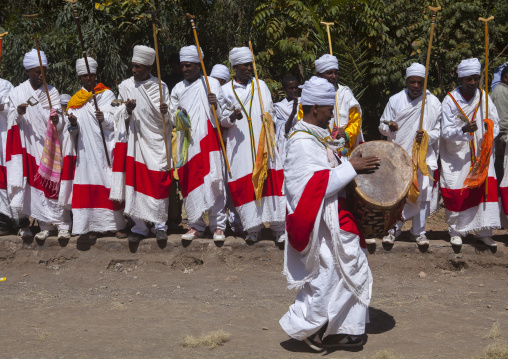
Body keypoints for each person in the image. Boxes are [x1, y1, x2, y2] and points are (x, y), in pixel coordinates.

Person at [280, 76, 378, 351]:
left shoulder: (316, 136)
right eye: (328, 109)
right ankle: (309, 328)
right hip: (319, 222)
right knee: (327, 275)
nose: (332, 114)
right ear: (314, 109)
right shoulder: (301, 142)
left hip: (335, 215)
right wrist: (352, 168)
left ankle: (347, 330)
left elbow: (327, 173)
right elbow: (316, 185)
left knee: (352, 267)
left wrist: (349, 164)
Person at [221, 47, 285, 244]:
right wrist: (232, 116)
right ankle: (253, 228)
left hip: (263, 142)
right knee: (245, 183)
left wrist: (267, 118)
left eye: (250, 64)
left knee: (271, 182)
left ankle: (278, 228)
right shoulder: (225, 90)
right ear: (235, 67)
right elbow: (221, 120)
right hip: (239, 146)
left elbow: (271, 110)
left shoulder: (260, 85)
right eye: (245, 65)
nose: (249, 68)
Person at [6, 49, 72, 241]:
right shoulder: (18, 92)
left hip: (50, 146)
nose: (41, 75)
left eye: (43, 71)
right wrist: (18, 112)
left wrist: (55, 119)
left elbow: (61, 122)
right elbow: (12, 119)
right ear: (28, 71)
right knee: (36, 186)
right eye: (37, 72)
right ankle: (45, 224)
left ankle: (62, 225)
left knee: (54, 185)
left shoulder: (52, 91)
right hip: (29, 146)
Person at [110, 45, 172, 243]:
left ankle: (160, 225)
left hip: (156, 143)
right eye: (133, 66)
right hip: (135, 142)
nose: (133, 70)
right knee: (135, 182)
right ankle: (139, 227)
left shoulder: (160, 87)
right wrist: (127, 110)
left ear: (149, 68)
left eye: (138, 67)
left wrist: (165, 112)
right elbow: (117, 115)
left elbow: (170, 119)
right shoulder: (125, 86)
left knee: (158, 181)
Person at [59, 57, 126, 240]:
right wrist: (72, 123)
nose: (89, 79)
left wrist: (103, 117)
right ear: (80, 77)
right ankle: (92, 226)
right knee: (89, 186)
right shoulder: (74, 101)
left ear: (96, 75)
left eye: (92, 75)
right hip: (85, 152)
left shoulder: (106, 94)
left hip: (105, 149)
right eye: (84, 76)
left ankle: (117, 225)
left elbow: (115, 122)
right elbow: (71, 132)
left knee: (109, 184)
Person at [169, 46, 229, 242]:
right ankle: (195, 225)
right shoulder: (178, 88)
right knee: (190, 180)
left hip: (207, 139)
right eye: (183, 66)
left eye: (189, 65)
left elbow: (222, 117)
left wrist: (216, 104)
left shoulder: (211, 84)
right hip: (187, 142)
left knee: (214, 180)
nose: (185, 69)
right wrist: (177, 114)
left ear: (198, 65)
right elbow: (172, 117)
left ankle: (218, 226)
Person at [378, 63, 441, 246]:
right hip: (399, 157)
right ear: (406, 81)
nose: (416, 86)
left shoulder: (433, 103)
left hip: (422, 158)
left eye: (419, 82)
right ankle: (392, 230)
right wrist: (389, 127)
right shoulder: (395, 100)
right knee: (398, 195)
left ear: (424, 83)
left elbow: (439, 131)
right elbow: (381, 126)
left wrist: (427, 136)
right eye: (412, 82)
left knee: (421, 195)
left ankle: (419, 231)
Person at [440, 58, 500, 248]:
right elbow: (445, 131)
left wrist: (488, 128)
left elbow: (496, 124)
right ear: (461, 79)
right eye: (468, 79)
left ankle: (483, 231)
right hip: (457, 156)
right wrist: (464, 130)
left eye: (475, 78)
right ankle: (457, 231)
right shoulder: (449, 100)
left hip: (481, 153)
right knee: (457, 189)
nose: (473, 83)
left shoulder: (484, 97)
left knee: (484, 190)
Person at [0, 77, 31, 238]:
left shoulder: (5, 85)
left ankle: (21, 222)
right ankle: (4, 222)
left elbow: (12, 109)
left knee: (13, 179)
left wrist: (3, 106)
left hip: (6, 138)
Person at [315, 54, 363, 156]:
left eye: (336, 73)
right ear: (319, 75)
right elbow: (304, 120)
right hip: (318, 149)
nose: (334, 76)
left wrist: (346, 134)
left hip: (343, 150)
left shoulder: (345, 94)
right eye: (329, 73)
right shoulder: (312, 95)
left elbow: (355, 122)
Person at [492, 66, 508, 226]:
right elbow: (503, 125)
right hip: (503, 148)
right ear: (505, 78)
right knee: (501, 183)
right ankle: (499, 219)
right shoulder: (502, 92)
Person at [274, 75, 300, 159]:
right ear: (285, 89)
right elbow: (284, 130)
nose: (294, 90)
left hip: (301, 141)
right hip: (287, 144)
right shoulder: (279, 107)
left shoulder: (303, 102)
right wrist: (293, 113)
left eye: (296, 87)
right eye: (291, 88)